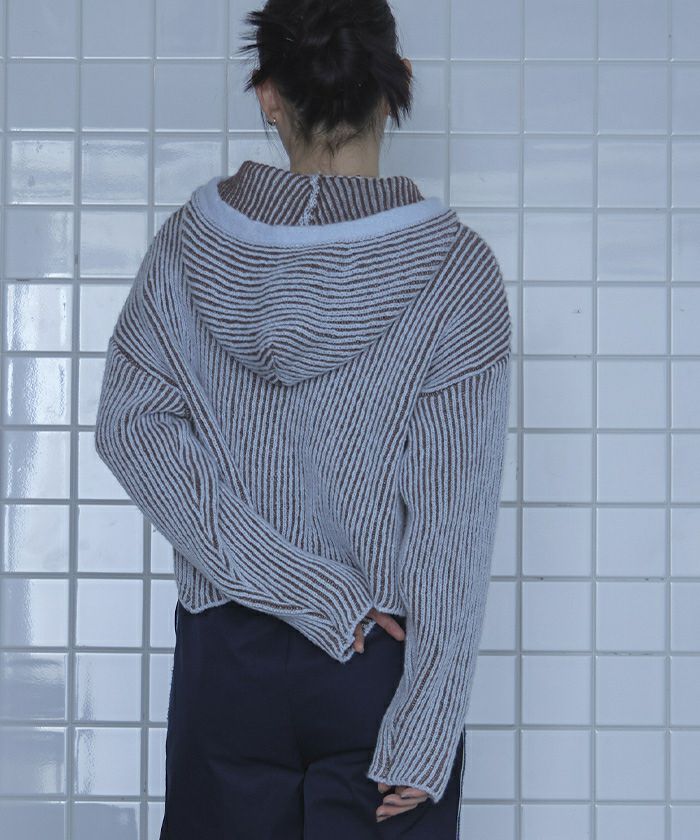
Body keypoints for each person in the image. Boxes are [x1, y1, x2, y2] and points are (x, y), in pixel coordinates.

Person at [94, 0, 512, 836]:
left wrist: (294, 586)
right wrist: (427, 725)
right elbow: (451, 529)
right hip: (380, 670)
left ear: (268, 93)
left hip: (226, 668)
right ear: (395, 87)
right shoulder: (455, 274)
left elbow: (129, 428)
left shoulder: (185, 250)